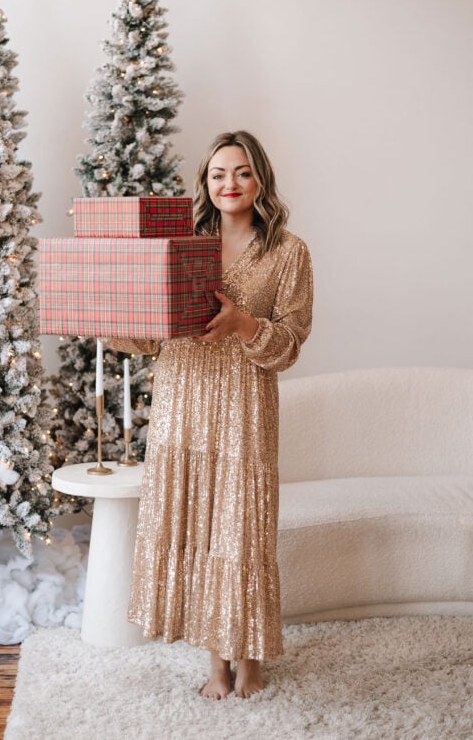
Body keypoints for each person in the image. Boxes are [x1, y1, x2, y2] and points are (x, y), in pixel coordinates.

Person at [108, 130, 313, 699]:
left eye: (242, 172)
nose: (230, 183)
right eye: (219, 174)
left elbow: (291, 343)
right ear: (205, 182)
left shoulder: (288, 251)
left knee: (240, 530)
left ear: (260, 180)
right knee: (197, 526)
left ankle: (250, 659)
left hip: (245, 403)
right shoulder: (179, 241)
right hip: (183, 398)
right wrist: (108, 309)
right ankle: (215, 663)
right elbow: (150, 336)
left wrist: (242, 323)